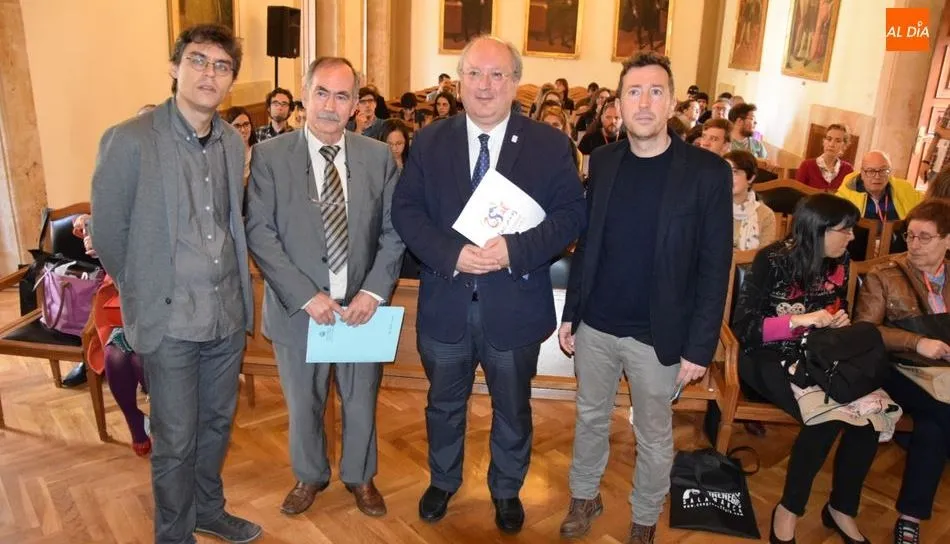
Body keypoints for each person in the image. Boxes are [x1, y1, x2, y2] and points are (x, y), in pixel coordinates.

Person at [391, 36, 586, 534]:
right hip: (446, 300)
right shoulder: (432, 140)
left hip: (514, 303)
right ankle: (443, 479)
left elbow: (570, 216)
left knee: (513, 408)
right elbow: (406, 211)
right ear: (459, 82)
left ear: (516, 83)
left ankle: (506, 489)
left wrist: (514, 250)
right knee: (442, 404)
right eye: (475, 74)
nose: (485, 85)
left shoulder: (547, 144)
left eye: (498, 74)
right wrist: (452, 253)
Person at [89, 24, 259, 544]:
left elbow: (233, 222)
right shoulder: (131, 139)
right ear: (174, 68)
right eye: (199, 61)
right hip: (171, 321)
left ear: (231, 79)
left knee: (215, 426)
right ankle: (174, 533)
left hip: (226, 313)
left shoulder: (232, 141)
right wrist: (144, 291)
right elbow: (110, 231)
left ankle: (208, 509)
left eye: (221, 66)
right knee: (176, 436)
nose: (210, 73)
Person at [557, 52, 732, 544]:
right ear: (619, 102)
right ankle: (584, 494)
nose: (645, 101)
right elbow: (588, 246)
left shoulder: (705, 173)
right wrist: (572, 313)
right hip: (596, 325)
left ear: (673, 102)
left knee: (653, 435)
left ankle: (643, 519)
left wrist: (700, 348)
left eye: (656, 91)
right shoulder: (606, 160)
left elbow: (714, 266)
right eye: (634, 91)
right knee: (590, 417)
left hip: (659, 334)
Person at [245, 56, 405, 520]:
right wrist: (304, 295)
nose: (330, 106)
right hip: (300, 310)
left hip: (360, 311)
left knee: (360, 401)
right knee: (302, 402)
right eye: (321, 93)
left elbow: (394, 233)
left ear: (356, 103)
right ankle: (309, 474)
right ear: (304, 94)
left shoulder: (378, 158)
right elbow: (260, 233)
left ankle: (360, 476)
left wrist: (372, 293)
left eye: (342, 96)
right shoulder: (272, 157)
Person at [734, 194, 877, 544]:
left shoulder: (838, 259)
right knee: (825, 417)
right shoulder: (772, 259)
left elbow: (831, 309)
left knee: (871, 417)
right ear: (818, 229)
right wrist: (801, 320)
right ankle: (788, 510)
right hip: (764, 357)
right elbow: (745, 328)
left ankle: (841, 508)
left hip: (816, 356)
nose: (852, 237)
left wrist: (836, 321)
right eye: (845, 230)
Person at [853, 198, 950, 544]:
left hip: (943, 375)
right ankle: (910, 518)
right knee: (944, 412)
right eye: (910, 236)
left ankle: (909, 517)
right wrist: (915, 342)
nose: (914, 244)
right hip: (899, 368)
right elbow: (864, 330)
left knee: (934, 427)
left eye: (926, 237)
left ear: (948, 240)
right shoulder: (885, 275)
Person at [72, 214, 151, 457]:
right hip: (124, 305)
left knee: (141, 360)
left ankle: (168, 422)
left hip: (164, 304)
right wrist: (88, 224)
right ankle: (135, 421)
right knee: (115, 357)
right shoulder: (119, 200)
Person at [836, 150, 923, 221]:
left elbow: (928, 205)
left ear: (890, 172)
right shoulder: (846, 195)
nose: (877, 176)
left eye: (883, 171)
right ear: (862, 173)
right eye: (870, 171)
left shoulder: (904, 189)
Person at [725, 149, 776, 250]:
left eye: (735, 172)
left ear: (751, 178)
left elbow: (763, 258)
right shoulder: (710, 208)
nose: (727, 177)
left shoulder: (765, 215)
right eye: (725, 171)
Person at [796, 124, 854, 192]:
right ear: (824, 141)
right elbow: (797, 194)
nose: (831, 144)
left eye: (838, 141)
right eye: (829, 139)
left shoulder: (848, 170)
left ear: (844, 145)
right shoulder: (806, 165)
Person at [224, 106, 257, 182]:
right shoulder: (224, 154)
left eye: (246, 124)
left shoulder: (259, 151)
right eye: (237, 126)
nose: (243, 130)